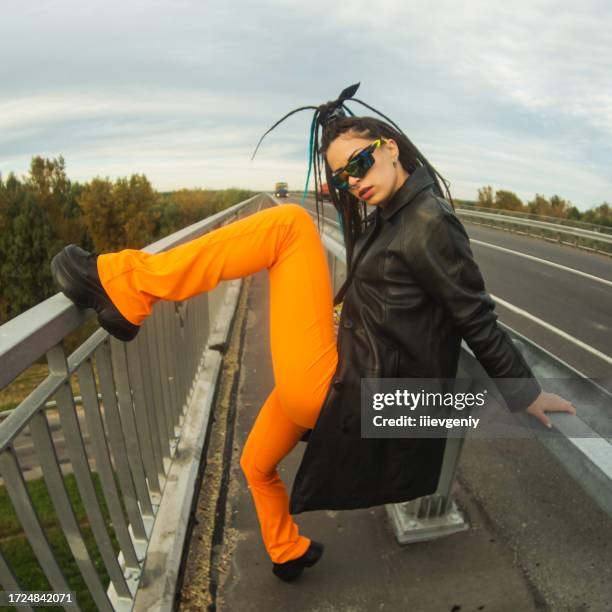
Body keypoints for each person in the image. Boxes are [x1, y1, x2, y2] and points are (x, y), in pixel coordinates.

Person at [50, 84, 576, 583]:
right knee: (256, 462)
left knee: (290, 227)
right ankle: (287, 550)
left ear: (390, 148)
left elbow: (476, 316)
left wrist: (525, 393)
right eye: (344, 175)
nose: (355, 180)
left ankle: (129, 284)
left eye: (363, 162)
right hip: (341, 376)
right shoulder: (392, 212)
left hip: (351, 393)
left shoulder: (430, 222)